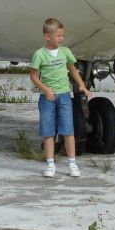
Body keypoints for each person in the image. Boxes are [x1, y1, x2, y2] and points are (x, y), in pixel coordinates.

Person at [29, 17, 92, 178]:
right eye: (58, 36)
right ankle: (50, 164)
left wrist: (82, 86)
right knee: (49, 132)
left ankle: (72, 163)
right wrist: (45, 89)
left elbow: (72, 70)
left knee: (68, 131)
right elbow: (34, 76)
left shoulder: (65, 52)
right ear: (47, 36)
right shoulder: (40, 54)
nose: (61, 38)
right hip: (47, 98)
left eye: (62, 35)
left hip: (64, 96)